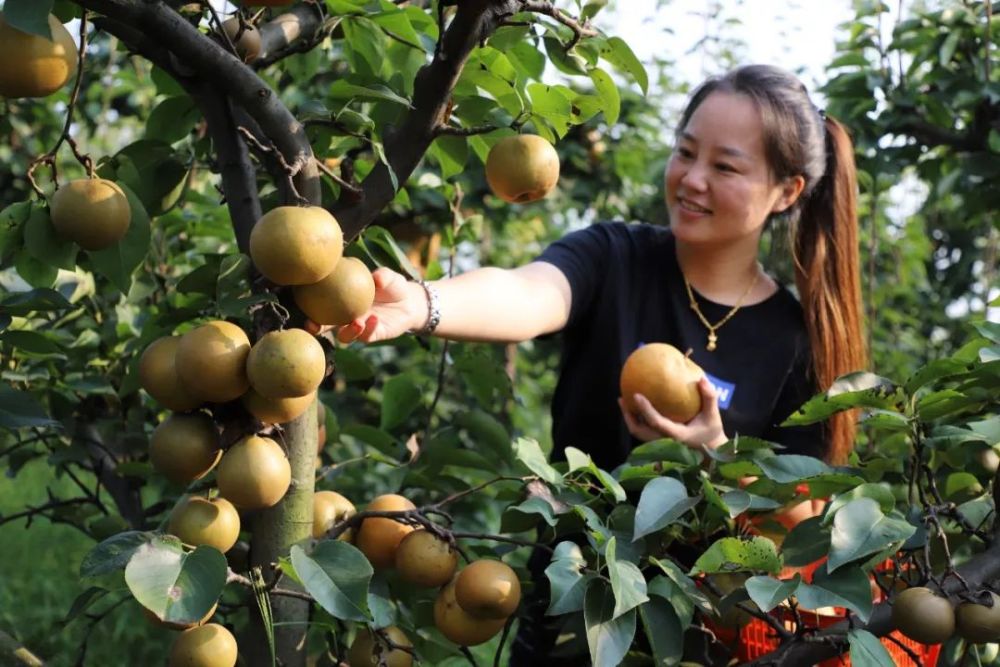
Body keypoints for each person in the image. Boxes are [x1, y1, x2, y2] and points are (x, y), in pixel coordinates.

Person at [309, 64, 866, 663]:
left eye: (725, 166)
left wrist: (720, 462)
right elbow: (528, 293)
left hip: (702, 643)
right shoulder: (616, 258)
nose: (692, 179)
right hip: (569, 622)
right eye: (686, 152)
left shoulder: (798, 342)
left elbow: (801, 527)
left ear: (787, 191)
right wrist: (423, 302)